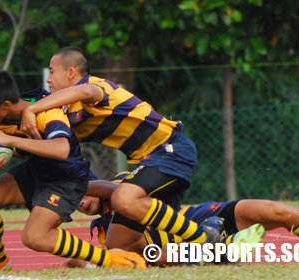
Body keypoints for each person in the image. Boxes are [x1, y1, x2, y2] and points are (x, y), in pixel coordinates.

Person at [20, 46, 220, 252]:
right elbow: (50, 144)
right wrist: (8, 142)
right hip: (150, 161)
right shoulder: (69, 114)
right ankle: (217, 251)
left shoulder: (91, 85)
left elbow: (84, 91)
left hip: (170, 149)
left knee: (123, 198)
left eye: (52, 71)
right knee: (119, 243)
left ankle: (203, 237)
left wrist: (32, 108)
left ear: (71, 72)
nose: (48, 79)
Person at [0, 69, 147, 274]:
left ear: (5, 106)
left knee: (35, 237)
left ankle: (111, 260)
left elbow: (61, 150)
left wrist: (9, 140)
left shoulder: (46, 112)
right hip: (36, 169)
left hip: (65, 179)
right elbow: (5, 149)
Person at [67, 172, 299, 267]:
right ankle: (221, 251)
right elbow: (108, 260)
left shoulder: (123, 184)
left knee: (274, 210)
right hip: (174, 251)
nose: (78, 200)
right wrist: (78, 262)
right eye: (72, 199)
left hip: (196, 217)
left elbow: (115, 188)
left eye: (82, 191)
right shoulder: (102, 230)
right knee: (148, 255)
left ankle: (220, 248)